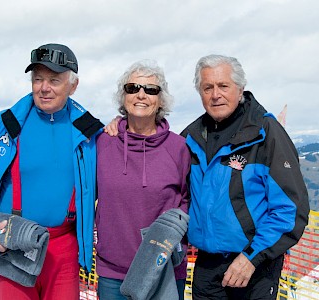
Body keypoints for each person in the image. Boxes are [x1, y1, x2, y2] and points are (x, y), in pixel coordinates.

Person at [0, 43, 104, 300]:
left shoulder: (92, 134)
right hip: (12, 247)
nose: (44, 88)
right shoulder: (2, 126)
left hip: (65, 251)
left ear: (73, 85)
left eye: (54, 80)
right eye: (38, 79)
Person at [181, 54, 310, 299]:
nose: (215, 94)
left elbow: (290, 209)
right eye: (208, 87)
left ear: (240, 88)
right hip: (207, 266)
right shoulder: (191, 137)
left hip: (254, 265)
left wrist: (251, 258)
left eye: (223, 86)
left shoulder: (266, 133)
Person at [95, 60, 191, 300]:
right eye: (133, 88)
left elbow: (189, 201)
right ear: (123, 96)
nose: (141, 94)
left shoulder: (178, 148)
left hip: (163, 269)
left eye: (151, 90)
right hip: (113, 272)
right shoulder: (103, 143)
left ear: (160, 100)